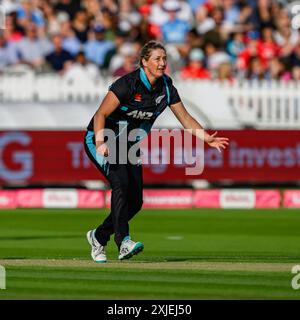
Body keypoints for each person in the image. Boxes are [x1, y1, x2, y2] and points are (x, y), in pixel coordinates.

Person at [84, 40, 229, 263]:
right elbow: (101, 114)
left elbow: (186, 118)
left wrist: (205, 137)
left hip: (128, 146)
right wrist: (102, 142)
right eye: (157, 59)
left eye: (164, 59)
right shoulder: (127, 84)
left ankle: (99, 236)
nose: (162, 63)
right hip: (102, 140)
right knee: (121, 184)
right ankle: (123, 242)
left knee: (136, 202)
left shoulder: (166, 87)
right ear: (144, 62)